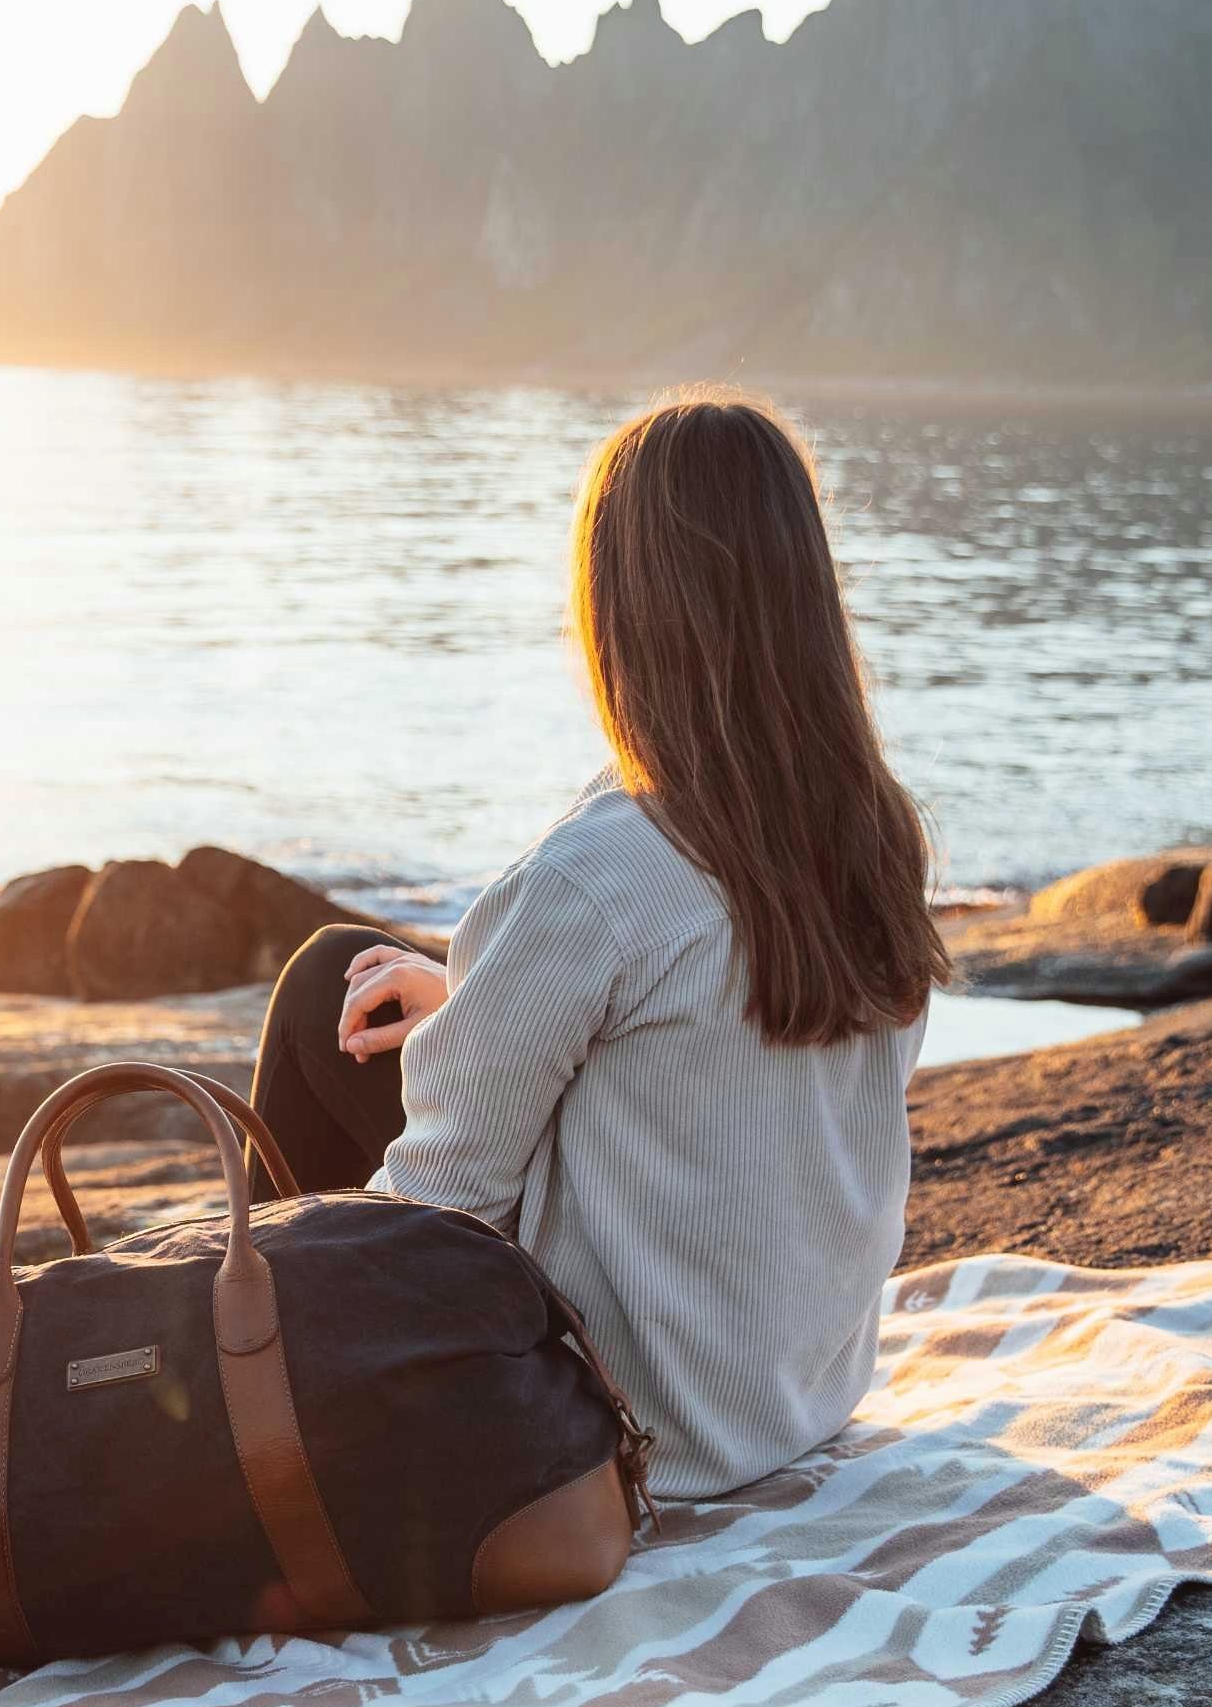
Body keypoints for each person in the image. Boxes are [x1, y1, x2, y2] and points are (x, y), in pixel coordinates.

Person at [249, 390, 950, 1500]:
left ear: (619, 606)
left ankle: (251, 1424)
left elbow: (439, 1215)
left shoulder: (598, 875)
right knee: (382, 982)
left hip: (620, 1422)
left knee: (319, 990)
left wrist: (236, 1275)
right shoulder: (870, 827)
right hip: (790, 1394)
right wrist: (479, 1001)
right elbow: (746, 1074)